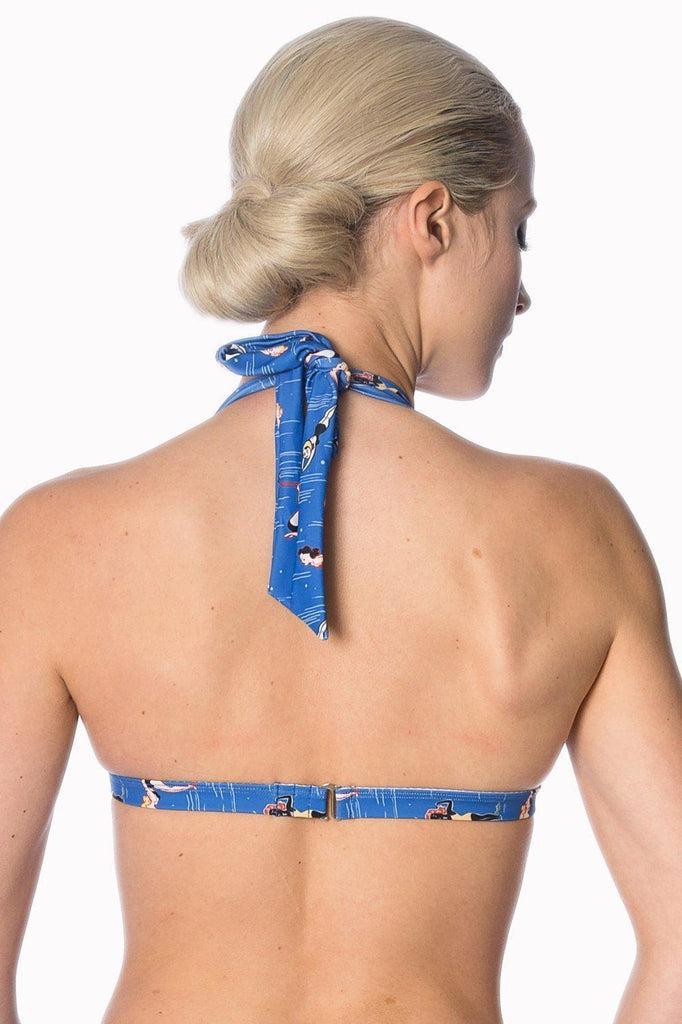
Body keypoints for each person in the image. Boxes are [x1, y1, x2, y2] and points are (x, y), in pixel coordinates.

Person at [1, 14, 680, 1024]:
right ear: (433, 220)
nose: (522, 291)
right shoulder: (570, 533)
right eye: (518, 229)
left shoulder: (60, 537)